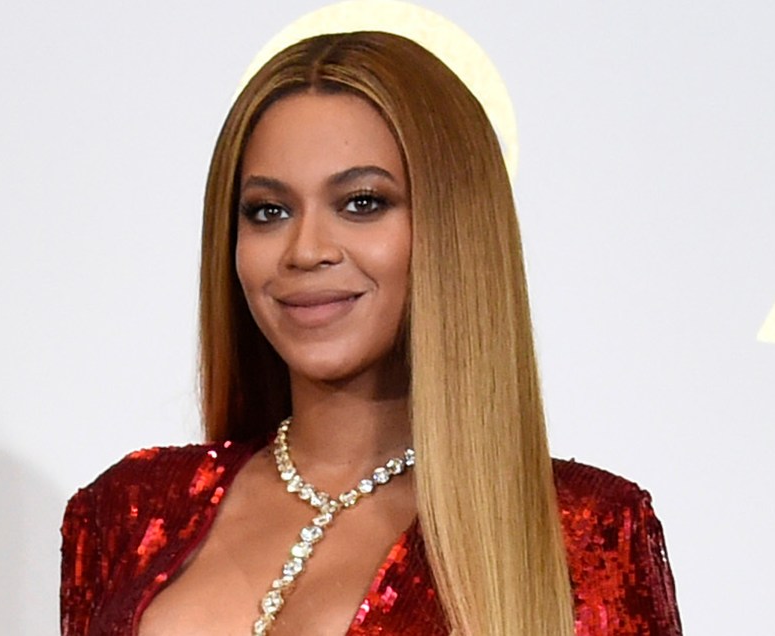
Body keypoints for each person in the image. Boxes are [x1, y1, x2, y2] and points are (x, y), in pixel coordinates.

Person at [61, 31, 682, 635]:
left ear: (452, 228)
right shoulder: (126, 512)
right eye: (268, 211)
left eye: (362, 203)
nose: (305, 251)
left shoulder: (585, 532)